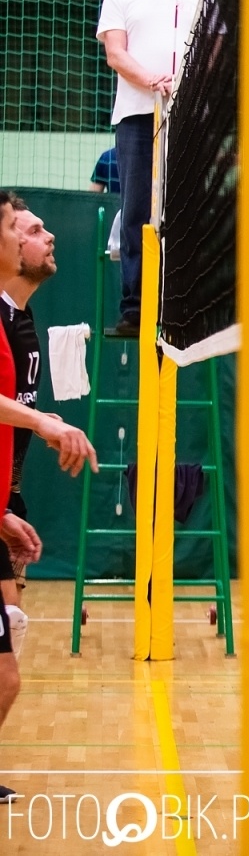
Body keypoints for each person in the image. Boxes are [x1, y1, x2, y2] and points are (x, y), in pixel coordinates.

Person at [96, 0, 203, 336]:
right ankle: (136, 308)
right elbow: (116, 55)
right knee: (138, 208)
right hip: (138, 116)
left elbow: (213, 50)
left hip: (186, 117)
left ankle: (182, 304)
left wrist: (187, 88)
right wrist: (152, 81)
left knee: (187, 207)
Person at [1, 200, 67, 643]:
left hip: (9, 498)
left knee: (13, 636)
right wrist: (41, 424)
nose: (49, 237)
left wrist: (38, 418)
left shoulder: (22, 315)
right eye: (33, 229)